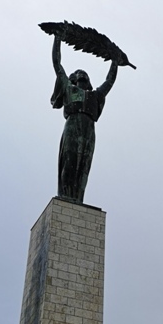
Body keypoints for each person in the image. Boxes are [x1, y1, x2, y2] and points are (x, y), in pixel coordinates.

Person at [50, 35, 118, 203]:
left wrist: (115, 61)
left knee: (84, 165)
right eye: (78, 76)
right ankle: (66, 196)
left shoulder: (95, 95)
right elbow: (57, 65)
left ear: (88, 82)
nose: (81, 77)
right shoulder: (69, 89)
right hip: (73, 125)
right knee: (70, 159)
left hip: (89, 128)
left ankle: (78, 198)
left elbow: (109, 81)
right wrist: (57, 38)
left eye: (84, 77)